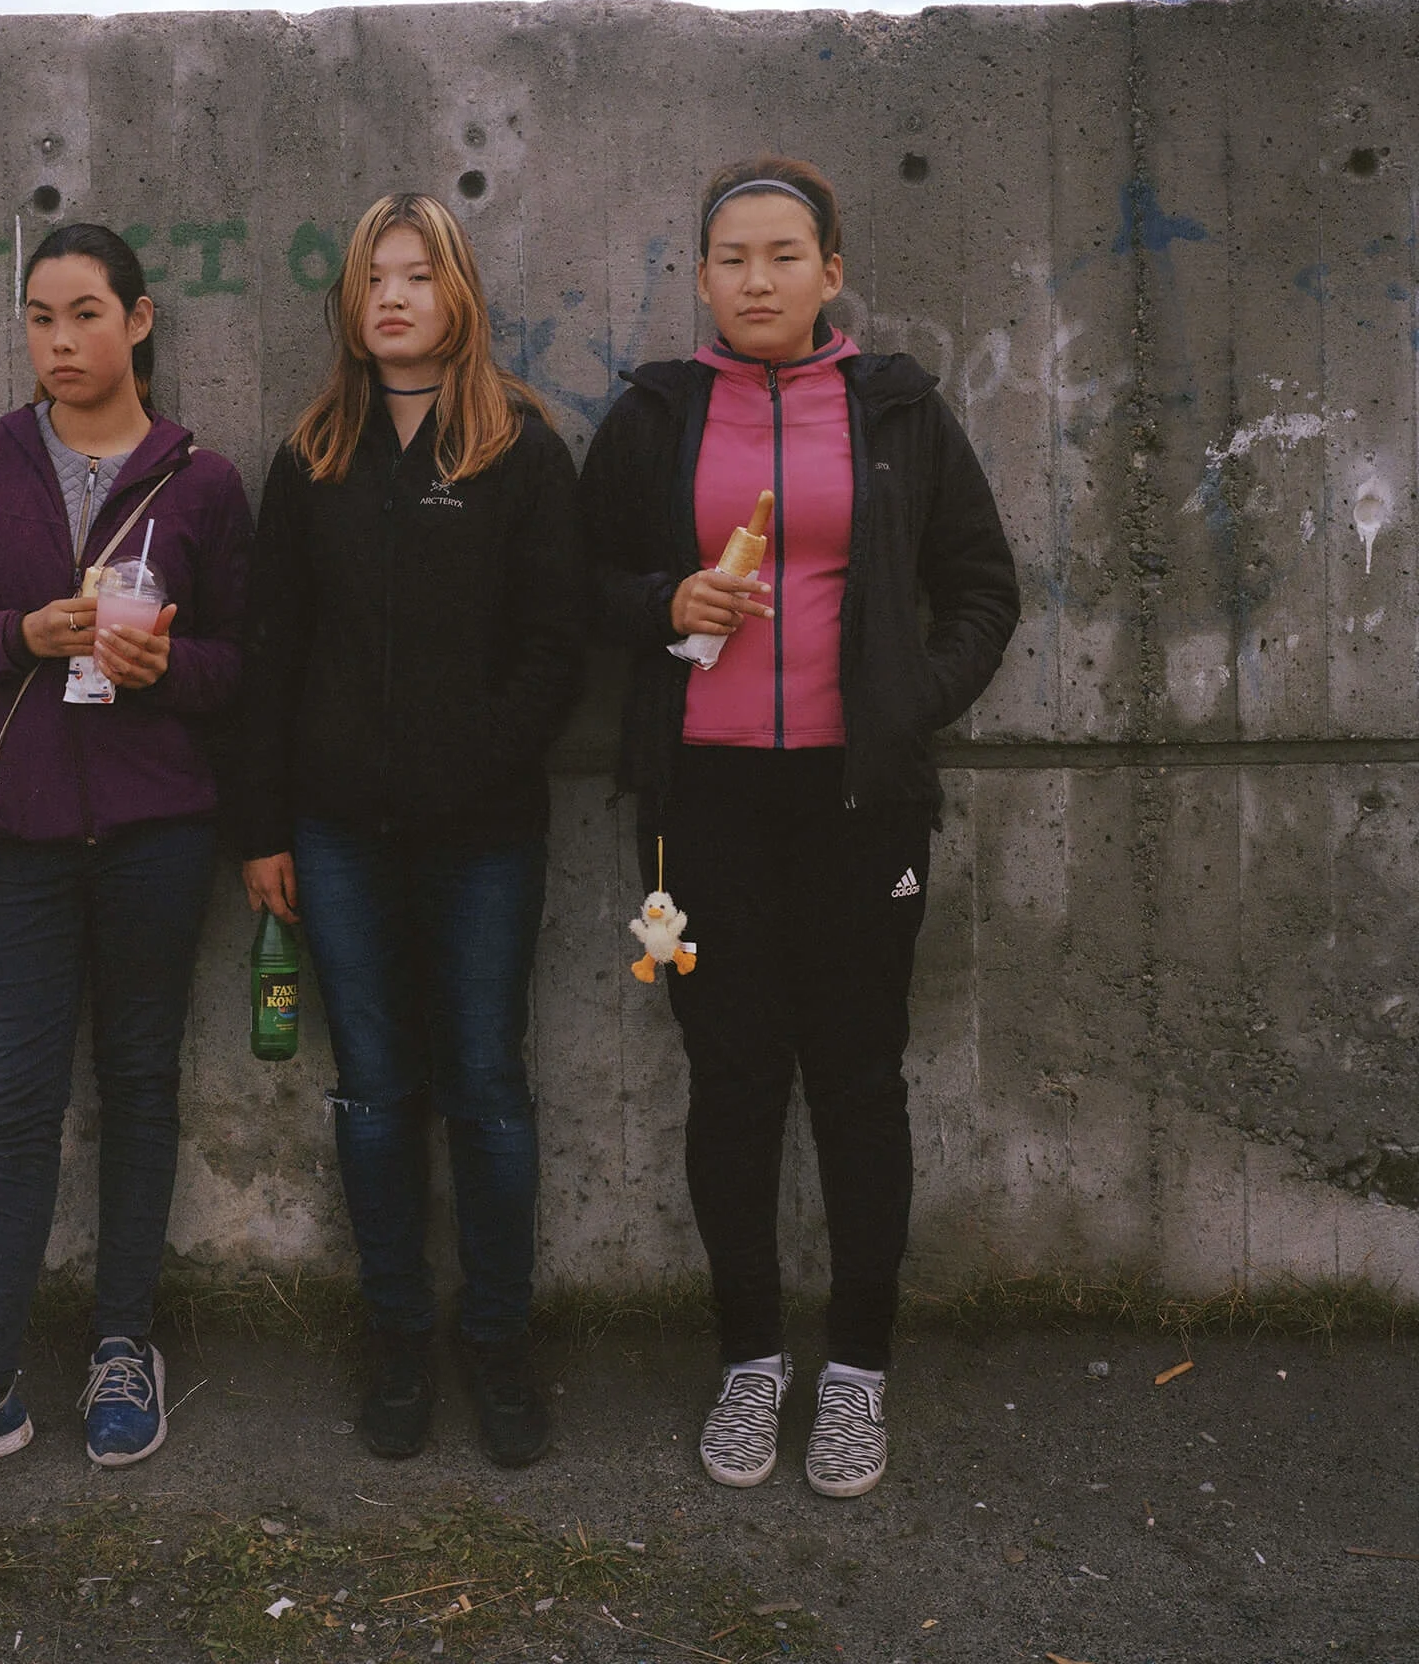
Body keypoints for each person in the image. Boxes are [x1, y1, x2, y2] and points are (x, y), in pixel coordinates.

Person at [578, 158, 1017, 1499]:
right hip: (703, 802)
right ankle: (752, 1362)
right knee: (732, 1077)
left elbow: (983, 589)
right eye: (731, 258)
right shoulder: (656, 414)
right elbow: (576, 582)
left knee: (859, 1077)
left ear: (832, 271)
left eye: (784, 255)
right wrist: (666, 605)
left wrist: (904, 707)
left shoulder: (899, 409)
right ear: (701, 278)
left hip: (857, 802)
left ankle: (858, 1376)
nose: (756, 279)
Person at [0, 223, 253, 1497]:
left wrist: (165, 667)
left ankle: (121, 1352)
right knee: (16, 1105)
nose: (59, 341)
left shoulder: (202, 483)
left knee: (139, 1085)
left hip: (157, 835)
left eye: (84, 314)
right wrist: (20, 633)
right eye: (38, 317)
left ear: (139, 320)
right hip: (19, 840)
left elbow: (246, 666)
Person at [237, 192, 585, 1467]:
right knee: (374, 1091)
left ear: (458, 297)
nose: (391, 297)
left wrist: (464, 767)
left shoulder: (522, 451)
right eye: (371, 277)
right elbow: (269, 656)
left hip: (484, 833)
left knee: (485, 1086)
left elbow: (556, 652)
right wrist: (263, 823)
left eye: (416, 275)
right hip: (333, 835)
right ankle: (396, 1337)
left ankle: (496, 1341)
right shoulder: (310, 456)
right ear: (348, 303)